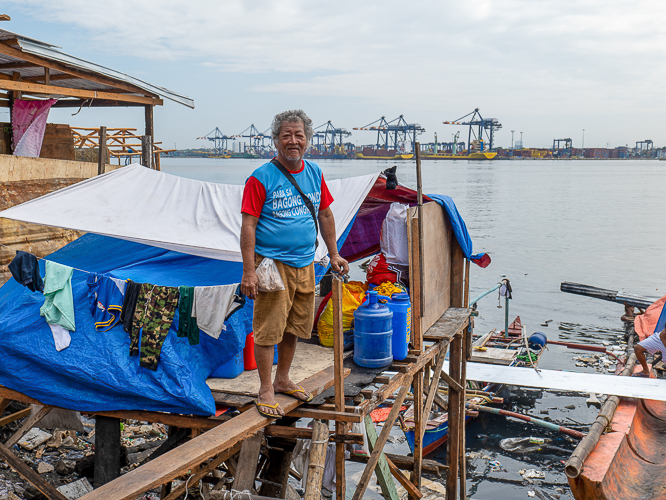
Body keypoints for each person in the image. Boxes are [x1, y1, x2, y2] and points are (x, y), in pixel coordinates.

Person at [240, 109, 349, 418]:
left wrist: (335, 252)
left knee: (294, 326)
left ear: (307, 140)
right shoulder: (260, 177)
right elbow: (248, 226)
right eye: (286, 135)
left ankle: (283, 377)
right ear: (275, 140)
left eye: (298, 135)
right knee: (268, 329)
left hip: (305, 264)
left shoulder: (314, 172)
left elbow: (325, 214)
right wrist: (249, 271)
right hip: (272, 266)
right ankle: (265, 389)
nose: (293, 141)